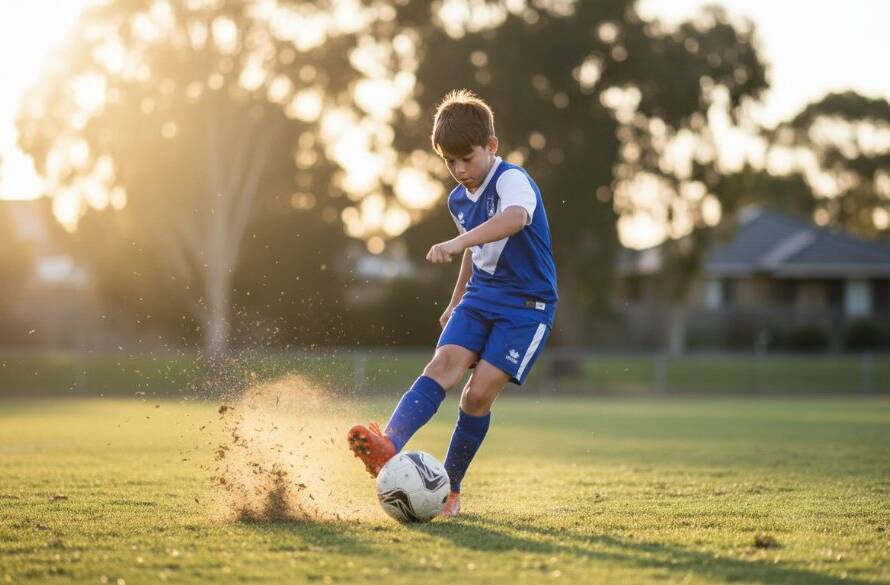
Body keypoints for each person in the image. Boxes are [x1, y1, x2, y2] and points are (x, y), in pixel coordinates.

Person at [347, 89, 558, 517]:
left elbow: (514, 219)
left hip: (527, 306)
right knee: (442, 366)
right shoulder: (458, 199)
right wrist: (455, 300)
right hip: (480, 297)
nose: (459, 170)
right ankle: (388, 442)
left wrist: (459, 239)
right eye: (449, 162)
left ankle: (450, 489)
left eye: (467, 158)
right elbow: (476, 253)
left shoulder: (511, 179)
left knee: (476, 396)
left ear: (491, 147)